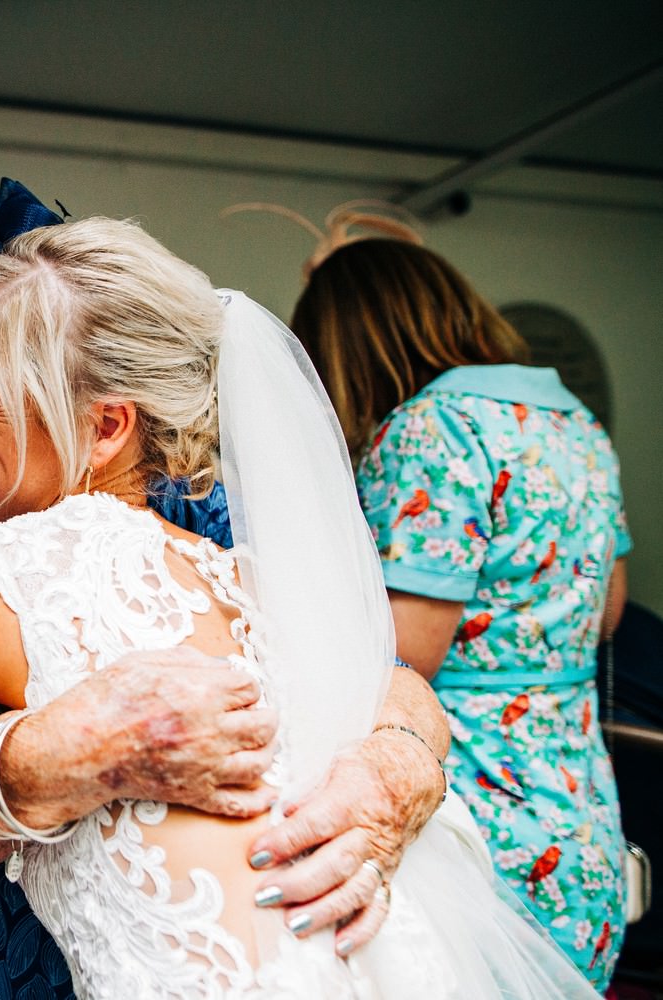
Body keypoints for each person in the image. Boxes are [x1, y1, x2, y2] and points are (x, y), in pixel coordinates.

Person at [0, 216, 596, 997]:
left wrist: (394, 769)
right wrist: (39, 754)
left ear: (106, 425)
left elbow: (389, 677)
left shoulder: (38, 562)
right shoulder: (239, 571)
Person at [290, 236, 631, 989]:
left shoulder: (428, 428)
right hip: (578, 808)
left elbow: (403, 653)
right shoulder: (574, 421)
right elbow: (608, 608)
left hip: (483, 804)